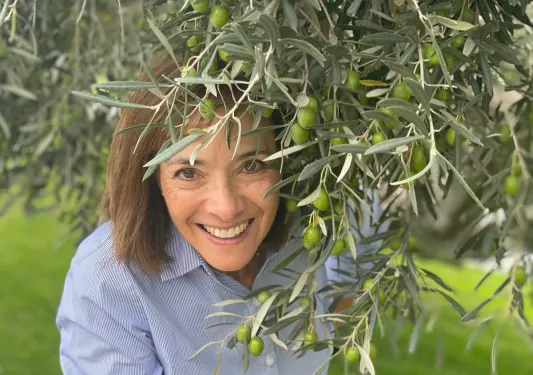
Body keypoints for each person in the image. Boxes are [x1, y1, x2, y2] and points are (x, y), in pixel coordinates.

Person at [56, 56, 387, 375]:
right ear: (152, 176)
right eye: (188, 173)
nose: (225, 208)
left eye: (252, 165)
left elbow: (348, 290)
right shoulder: (109, 280)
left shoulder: (319, 221)